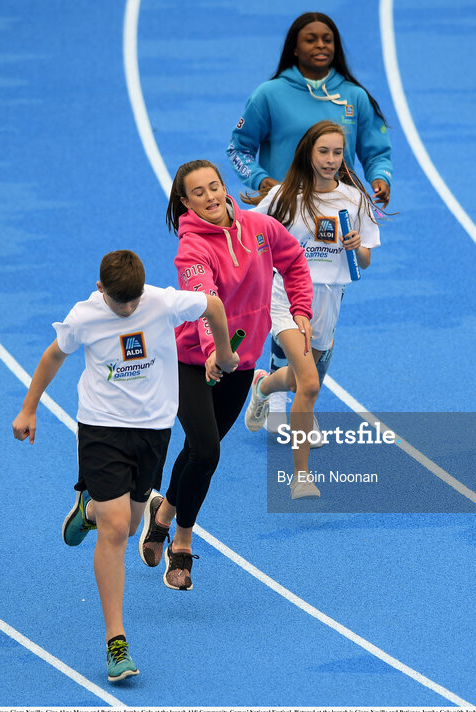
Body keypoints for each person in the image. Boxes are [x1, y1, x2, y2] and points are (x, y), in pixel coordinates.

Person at [11, 250, 237, 682]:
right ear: (101, 291)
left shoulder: (160, 301)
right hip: (102, 429)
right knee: (117, 531)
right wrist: (29, 408)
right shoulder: (84, 317)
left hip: (152, 431)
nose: (130, 309)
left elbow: (212, 305)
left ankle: (89, 509)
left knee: (130, 525)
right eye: (121, 303)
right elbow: (52, 357)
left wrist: (224, 353)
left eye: (134, 300)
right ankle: (117, 642)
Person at [135, 160, 312, 591]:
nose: (211, 197)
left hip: (242, 363)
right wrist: (216, 350)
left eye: (214, 186)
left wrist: (302, 310)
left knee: (199, 452)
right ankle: (181, 540)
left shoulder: (260, 227)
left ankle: (160, 515)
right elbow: (203, 300)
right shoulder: (192, 248)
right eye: (199, 193)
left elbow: (294, 263)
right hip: (191, 362)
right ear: (185, 202)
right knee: (208, 451)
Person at [227, 11, 393, 427]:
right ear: (294, 46)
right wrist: (261, 180)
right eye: (310, 39)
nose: (320, 46)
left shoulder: (353, 96)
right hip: (285, 217)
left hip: (334, 224)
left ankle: (282, 390)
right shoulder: (270, 94)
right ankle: (295, 406)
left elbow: (376, 149)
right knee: (288, 313)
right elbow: (238, 148)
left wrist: (379, 177)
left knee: (321, 333)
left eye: (328, 40)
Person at [241, 120, 380, 499]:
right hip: (286, 296)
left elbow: (366, 260)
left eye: (337, 153)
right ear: (308, 152)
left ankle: (264, 385)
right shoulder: (286, 196)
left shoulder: (354, 200)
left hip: (328, 299)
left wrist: (356, 247)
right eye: (324, 151)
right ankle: (301, 475)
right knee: (310, 384)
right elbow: (252, 236)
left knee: (301, 376)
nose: (331, 160)